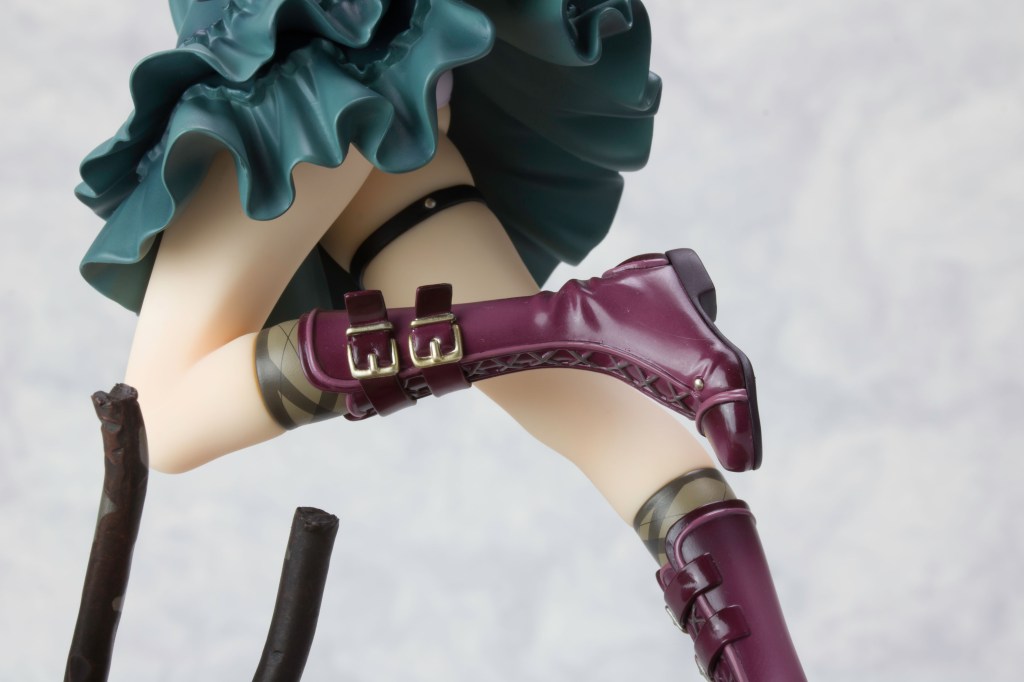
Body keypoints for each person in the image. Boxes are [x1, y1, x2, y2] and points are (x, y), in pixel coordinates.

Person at [77, 1, 805, 678]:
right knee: (611, 434)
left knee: (159, 418)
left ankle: (588, 320)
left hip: (300, 68)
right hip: (377, 64)